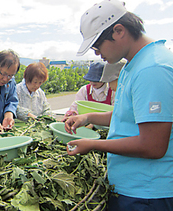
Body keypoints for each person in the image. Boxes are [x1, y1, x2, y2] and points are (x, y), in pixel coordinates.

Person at [65, 0, 173, 210]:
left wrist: (94, 144)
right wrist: (87, 117)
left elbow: (153, 146)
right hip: (132, 189)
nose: (97, 53)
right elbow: (129, 114)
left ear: (118, 31)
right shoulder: (134, 65)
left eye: (97, 46)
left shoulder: (152, 69)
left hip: (148, 194)